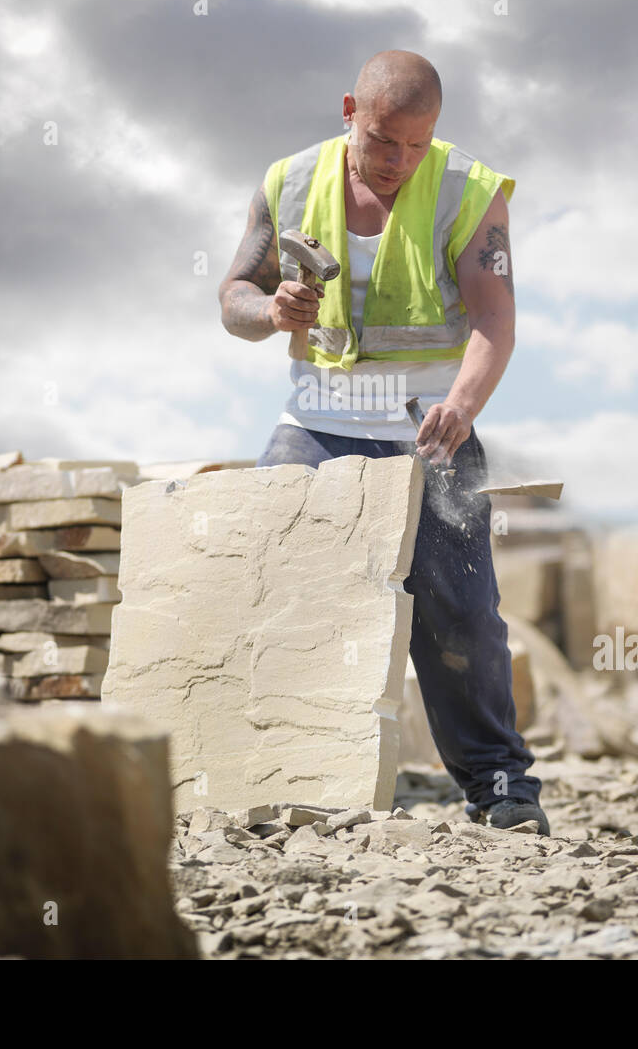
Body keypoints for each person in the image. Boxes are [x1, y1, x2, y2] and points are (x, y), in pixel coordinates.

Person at [217, 50, 547, 834]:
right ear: (348, 112)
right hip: (318, 425)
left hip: (431, 428)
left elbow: (495, 319)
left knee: (460, 616)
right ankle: (273, 777)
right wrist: (270, 315)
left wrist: (461, 405)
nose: (399, 161)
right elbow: (233, 298)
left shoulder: (469, 190)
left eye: (417, 143)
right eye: (382, 141)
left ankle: (501, 788)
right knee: (272, 584)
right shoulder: (289, 182)